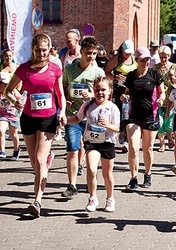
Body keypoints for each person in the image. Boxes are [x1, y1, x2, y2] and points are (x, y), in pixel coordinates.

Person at [4, 34, 67, 218]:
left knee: (39, 160)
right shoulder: (24, 69)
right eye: (38, 50)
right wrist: (14, 101)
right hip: (28, 117)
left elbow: (60, 94)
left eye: (44, 50)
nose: (41, 53)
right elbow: (9, 91)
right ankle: (47, 162)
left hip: (48, 118)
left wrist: (62, 112)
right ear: (33, 49)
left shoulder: (55, 69)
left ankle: (37, 200)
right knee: (35, 164)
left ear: (49, 49)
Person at [61, 36, 106, 199]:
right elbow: (63, 87)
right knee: (72, 148)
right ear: (81, 52)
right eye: (88, 53)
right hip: (73, 115)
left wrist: (93, 95)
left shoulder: (98, 72)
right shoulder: (69, 70)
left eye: (94, 53)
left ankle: (91, 181)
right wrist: (65, 99)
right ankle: (72, 185)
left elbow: (105, 95)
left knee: (91, 151)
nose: (91, 56)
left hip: (91, 118)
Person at [67, 77, 120, 212]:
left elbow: (117, 128)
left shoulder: (113, 108)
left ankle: (110, 199)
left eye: (103, 90)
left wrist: (108, 125)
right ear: (93, 90)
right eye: (97, 89)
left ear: (109, 91)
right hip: (92, 143)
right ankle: (92, 198)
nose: (100, 93)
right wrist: (64, 121)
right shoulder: (87, 105)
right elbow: (77, 118)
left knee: (107, 174)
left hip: (107, 142)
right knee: (91, 169)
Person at [123, 46, 165, 191]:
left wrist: (161, 99)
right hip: (133, 116)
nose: (146, 62)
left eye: (148, 59)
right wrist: (124, 96)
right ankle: (133, 178)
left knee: (147, 150)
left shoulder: (155, 75)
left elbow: (162, 93)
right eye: (143, 60)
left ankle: (147, 174)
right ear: (136, 60)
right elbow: (127, 92)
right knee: (133, 148)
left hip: (150, 116)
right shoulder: (131, 76)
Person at [105, 40, 137, 153]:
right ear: (122, 50)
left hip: (131, 90)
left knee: (129, 114)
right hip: (118, 90)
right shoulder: (116, 59)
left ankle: (126, 140)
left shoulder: (134, 59)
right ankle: (120, 133)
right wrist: (115, 78)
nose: (128, 55)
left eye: (130, 53)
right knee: (119, 113)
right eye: (126, 52)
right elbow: (107, 72)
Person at [152, 46, 176, 152]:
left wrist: (173, 78)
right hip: (159, 98)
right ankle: (162, 144)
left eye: (165, 57)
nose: (163, 60)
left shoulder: (174, 67)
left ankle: (170, 139)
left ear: (169, 56)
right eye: (161, 57)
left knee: (169, 122)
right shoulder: (155, 67)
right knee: (160, 121)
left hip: (171, 99)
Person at [0, 70, 20, 160]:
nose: (6, 85)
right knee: (1, 131)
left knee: (14, 134)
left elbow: (22, 100)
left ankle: (16, 150)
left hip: (13, 115)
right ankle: (2, 150)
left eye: (7, 83)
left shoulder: (13, 91)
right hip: (2, 114)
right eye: (4, 83)